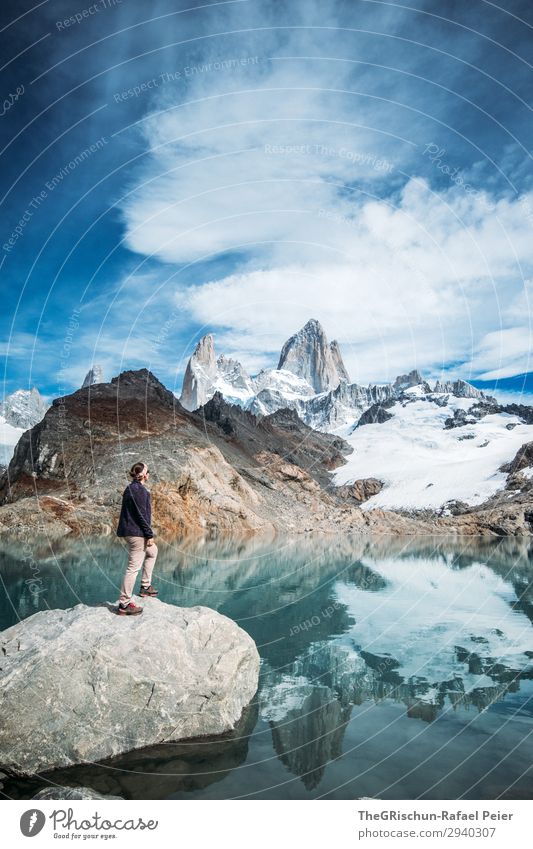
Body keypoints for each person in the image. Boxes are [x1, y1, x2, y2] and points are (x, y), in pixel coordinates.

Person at [116, 461, 159, 615]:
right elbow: (142, 516)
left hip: (131, 531)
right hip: (137, 533)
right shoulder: (140, 491)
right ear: (142, 475)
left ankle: (145, 587)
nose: (149, 474)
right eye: (148, 471)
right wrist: (149, 535)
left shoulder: (130, 488)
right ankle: (124, 603)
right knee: (133, 568)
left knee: (153, 551)